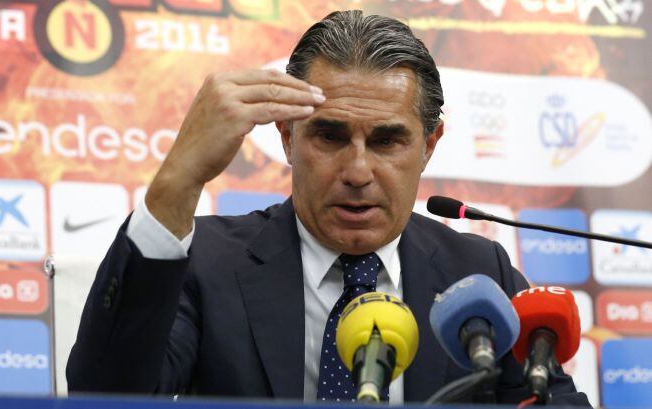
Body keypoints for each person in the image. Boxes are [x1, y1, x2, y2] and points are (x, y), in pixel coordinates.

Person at [67, 10, 589, 405]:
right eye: (330, 136)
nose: (358, 171)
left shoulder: (477, 274)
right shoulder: (210, 262)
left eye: (387, 141)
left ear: (429, 147)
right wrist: (177, 181)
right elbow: (107, 392)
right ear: (288, 138)